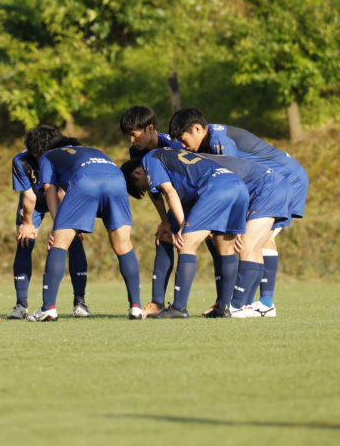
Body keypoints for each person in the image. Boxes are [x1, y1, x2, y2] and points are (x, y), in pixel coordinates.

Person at [169, 108, 309, 317]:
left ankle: (250, 304)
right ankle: (256, 303)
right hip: (272, 183)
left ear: (197, 129)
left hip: (287, 180)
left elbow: (234, 179)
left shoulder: (219, 142)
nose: (183, 146)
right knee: (259, 241)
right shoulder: (209, 138)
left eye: (183, 140)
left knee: (251, 242)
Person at [121, 147, 249, 318]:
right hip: (238, 186)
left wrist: (183, 226)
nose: (150, 189)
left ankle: (179, 308)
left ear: (137, 173)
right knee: (225, 249)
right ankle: (224, 307)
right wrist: (167, 222)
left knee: (185, 244)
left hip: (214, 190)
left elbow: (169, 192)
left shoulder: (149, 159)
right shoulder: (171, 151)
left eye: (143, 187)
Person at [28, 136, 144, 321]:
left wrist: (58, 225)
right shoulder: (93, 151)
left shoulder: (48, 156)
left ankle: (48, 308)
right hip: (117, 180)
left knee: (59, 244)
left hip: (85, 182)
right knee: (123, 245)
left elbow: (50, 189)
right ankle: (136, 307)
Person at [7, 125, 91, 320]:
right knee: (24, 239)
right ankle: (21, 305)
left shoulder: (65, 154)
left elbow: (63, 191)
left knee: (74, 240)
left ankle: (80, 302)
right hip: (34, 200)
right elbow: (28, 196)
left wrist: (61, 227)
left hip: (61, 196)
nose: (39, 159)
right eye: (36, 155)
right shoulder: (21, 161)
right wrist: (27, 223)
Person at [119, 105, 183, 318]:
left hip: (195, 196)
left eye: (134, 134)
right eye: (128, 136)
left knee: (214, 240)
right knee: (164, 236)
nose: (131, 140)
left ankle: (224, 302)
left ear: (150, 128)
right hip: (175, 199)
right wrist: (165, 221)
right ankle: (157, 302)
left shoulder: (174, 145)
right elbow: (153, 189)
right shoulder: (136, 152)